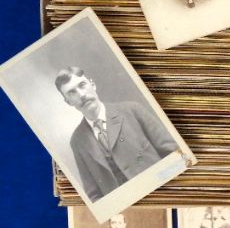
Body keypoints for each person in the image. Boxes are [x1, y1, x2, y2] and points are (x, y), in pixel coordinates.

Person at [55, 67, 178, 202]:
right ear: (68, 102)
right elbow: (93, 195)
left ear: (92, 85)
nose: (81, 94)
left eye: (82, 85)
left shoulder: (132, 110)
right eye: (72, 92)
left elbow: (175, 155)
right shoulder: (77, 140)